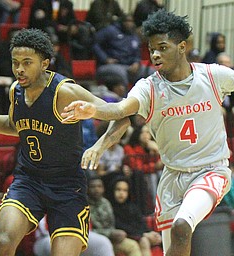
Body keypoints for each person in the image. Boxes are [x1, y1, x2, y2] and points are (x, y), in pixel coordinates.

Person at [0, 28, 127, 256]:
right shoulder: (15, 90)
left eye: (27, 62)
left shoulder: (64, 92)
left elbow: (121, 117)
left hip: (67, 186)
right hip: (29, 180)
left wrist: (98, 146)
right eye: (15, 62)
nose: (19, 69)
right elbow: (13, 124)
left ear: (45, 63)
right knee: (5, 240)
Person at [61, 9, 233, 256]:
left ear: (182, 46)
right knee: (171, 247)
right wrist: (94, 110)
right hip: (173, 176)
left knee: (182, 227)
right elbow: (120, 110)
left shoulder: (213, 76)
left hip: (211, 170)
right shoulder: (149, 88)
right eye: (151, 48)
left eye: (162, 47)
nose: (155, 54)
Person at [87, 177, 142, 256]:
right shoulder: (83, 205)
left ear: (103, 189)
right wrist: (110, 233)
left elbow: (111, 224)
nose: (96, 189)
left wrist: (115, 233)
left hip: (111, 239)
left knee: (132, 245)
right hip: (94, 242)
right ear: (87, 189)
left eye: (99, 186)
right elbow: (89, 232)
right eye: (93, 187)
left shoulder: (105, 203)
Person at [109, 177, 162, 256]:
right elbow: (120, 226)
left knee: (156, 239)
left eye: (125, 190)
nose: (121, 193)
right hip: (120, 238)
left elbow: (141, 223)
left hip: (138, 236)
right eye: (118, 189)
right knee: (143, 240)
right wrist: (143, 234)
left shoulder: (131, 206)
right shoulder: (110, 207)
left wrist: (150, 233)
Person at [33, 215, 115, 256]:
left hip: (74, 235)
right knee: (64, 244)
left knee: (103, 242)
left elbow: (87, 226)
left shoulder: (74, 192)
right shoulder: (46, 192)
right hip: (45, 239)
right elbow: (44, 229)